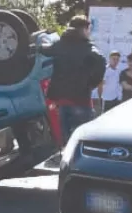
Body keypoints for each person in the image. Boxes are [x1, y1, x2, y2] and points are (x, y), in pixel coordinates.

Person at [42, 15, 105, 143]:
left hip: (62, 103)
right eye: (88, 29)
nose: (89, 33)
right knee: (84, 142)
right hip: (81, 100)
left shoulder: (60, 45)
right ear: (84, 29)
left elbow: (46, 49)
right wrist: (91, 83)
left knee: (67, 144)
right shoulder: (87, 47)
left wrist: (40, 44)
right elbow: (101, 61)